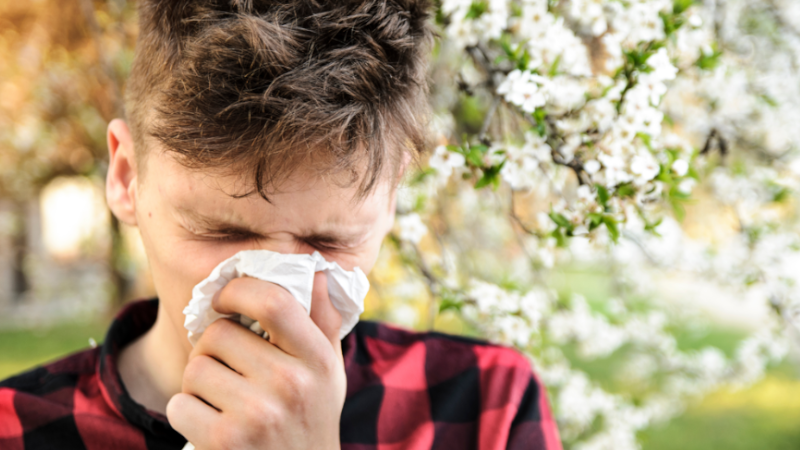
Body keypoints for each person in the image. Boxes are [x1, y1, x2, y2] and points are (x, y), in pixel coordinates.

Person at [0, 1, 562, 448]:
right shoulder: (15, 429)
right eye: (221, 232)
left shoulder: (486, 407)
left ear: (392, 200)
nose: (272, 294)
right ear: (126, 178)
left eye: (328, 241)